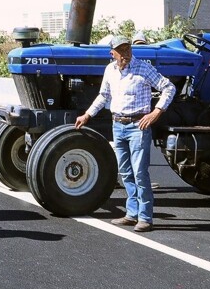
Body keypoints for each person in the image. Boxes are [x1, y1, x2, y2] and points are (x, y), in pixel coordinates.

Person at [74, 35, 175, 232]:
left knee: (139, 173)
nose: (126, 54)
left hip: (138, 125)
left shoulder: (143, 68)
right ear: (112, 53)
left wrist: (156, 112)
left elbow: (168, 87)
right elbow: (104, 96)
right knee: (126, 172)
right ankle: (131, 214)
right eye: (121, 50)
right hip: (118, 125)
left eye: (128, 49)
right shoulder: (110, 70)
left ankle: (145, 217)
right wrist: (87, 115)